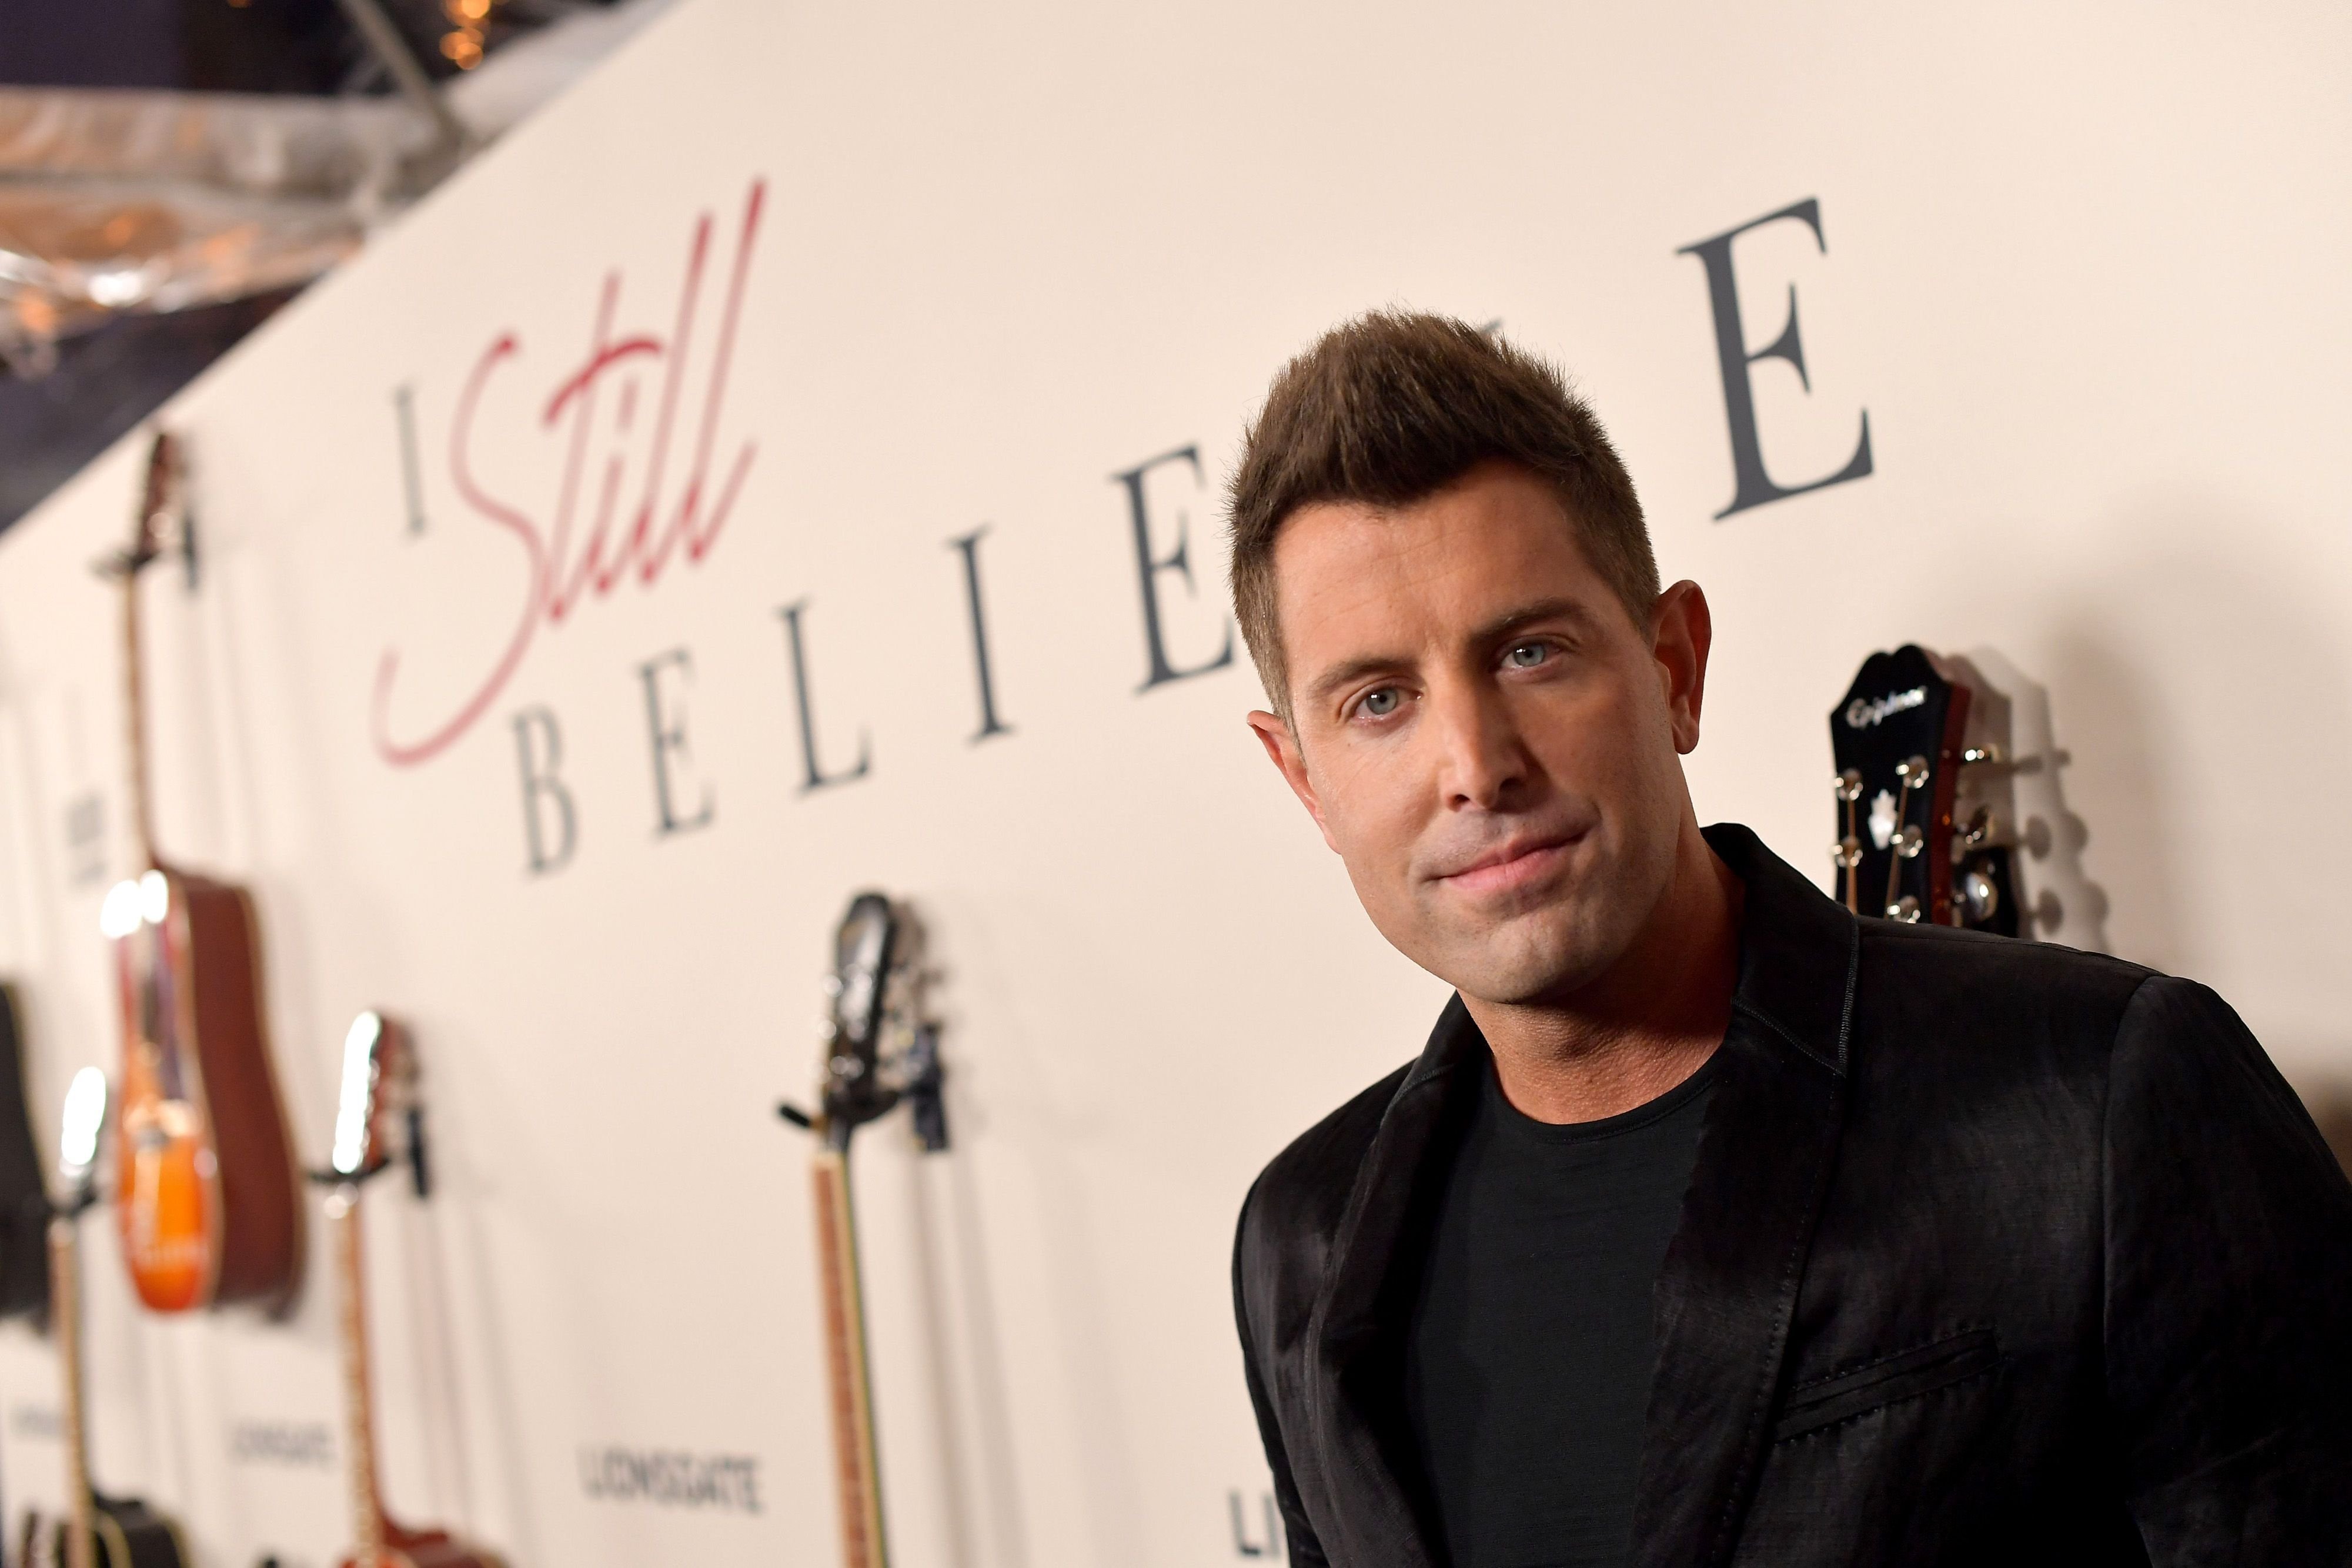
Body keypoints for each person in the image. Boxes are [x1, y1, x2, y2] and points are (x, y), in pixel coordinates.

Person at [1224, 311, 2352, 1567]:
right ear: (1302, 777)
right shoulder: (1301, 1240)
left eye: (1530, 652)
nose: (1475, 767)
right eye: (1378, 700)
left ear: (1672, 667)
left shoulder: (2099, 1096)